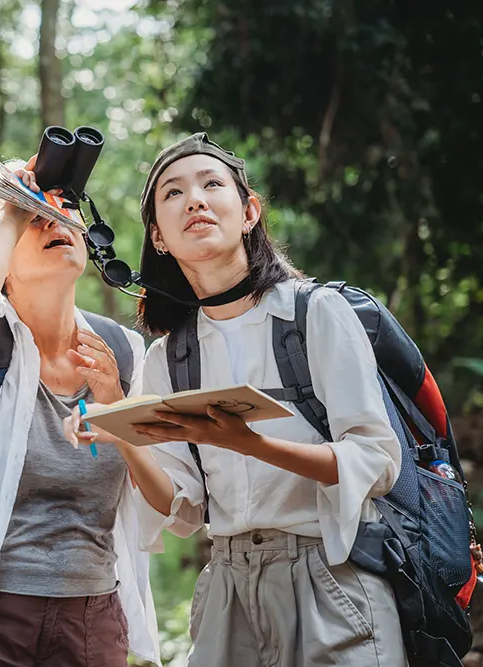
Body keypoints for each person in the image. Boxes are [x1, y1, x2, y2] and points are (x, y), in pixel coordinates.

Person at [64, 133, 407, 666]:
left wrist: (248, 443)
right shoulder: (169, 359)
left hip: (333, 579)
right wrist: (123, 436)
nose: (196, 200)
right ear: (158, 236)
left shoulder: (315, 315)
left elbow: (376, 461)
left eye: (212, 185)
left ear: (248, 212)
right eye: (173, 193)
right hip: (227, 593)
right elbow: (181, 503)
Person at [0, 158, 160, 667]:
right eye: (34, 216)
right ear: (0, 251)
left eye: (65, 209)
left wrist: (116, 407)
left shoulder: (124, 352)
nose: (56, 220)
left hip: (92, 622)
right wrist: (9, 203)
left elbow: (164, 493)